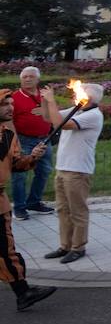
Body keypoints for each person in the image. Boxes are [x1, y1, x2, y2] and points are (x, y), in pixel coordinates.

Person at [0, 88, 56, 311]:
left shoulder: (8, 135)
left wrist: (32, 157)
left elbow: (15, 165)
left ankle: (23, 293)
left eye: (11, 104)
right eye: (5, 104)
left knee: (6, 250)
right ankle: (23, 292)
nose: (10, 108)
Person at [40, 82, 104, 264]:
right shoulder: (78, 110)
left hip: (78, 170)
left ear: (88, 98)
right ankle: (65, 246)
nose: (74, 95)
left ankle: (78, 247)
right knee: (62, 209)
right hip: (63, 168)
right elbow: (48, 118)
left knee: (77, 211)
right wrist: (45, 100)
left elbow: (61, 124)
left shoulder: (93, 115)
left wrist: (52, 100)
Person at [8, 67, 55, 221]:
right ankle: (20, 208)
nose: (27, 79)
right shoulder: (14, 98)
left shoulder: (45, 95)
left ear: (37, 79)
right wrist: (15, 143)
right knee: (20, 175)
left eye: (31, 77)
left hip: (44, 139)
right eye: (25, 77)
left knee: (44, 171)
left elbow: (53, 114)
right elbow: (9, 121)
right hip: (24, 140)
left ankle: (34, 202)